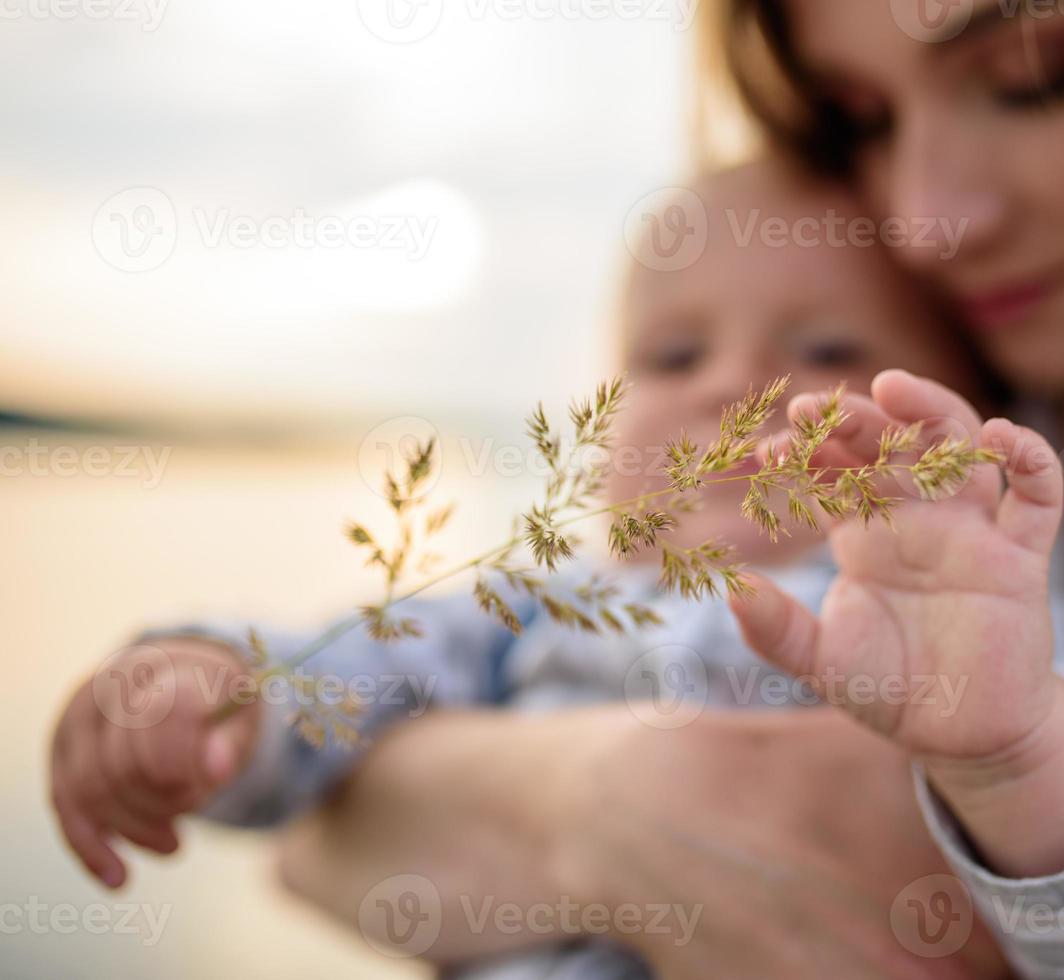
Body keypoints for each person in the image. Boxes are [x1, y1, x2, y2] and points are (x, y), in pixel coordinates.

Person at [270, 2, 1064, 978]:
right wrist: (618, 798)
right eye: (857, 119)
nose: (927, 218)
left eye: (1033, 72)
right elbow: (316, 838)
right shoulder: (899, 436)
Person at [47, 156, 1011, 975]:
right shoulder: (544, 601)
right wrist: (216, 689)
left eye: (828, 348)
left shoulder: (982, 615)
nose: (730, 387)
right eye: (673, 355)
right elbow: (359, 673)